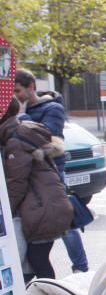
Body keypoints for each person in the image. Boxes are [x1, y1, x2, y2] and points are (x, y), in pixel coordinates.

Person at [13, 70, 90, 273]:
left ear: (31, 87)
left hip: (52, 173)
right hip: (27, 173)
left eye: (17, 90)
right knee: (40, 226)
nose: (15, 95)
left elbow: (49, 139)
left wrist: (21, 115)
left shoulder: (52, 107)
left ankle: (80, 268)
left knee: (63, 223)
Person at [0, 97, 74, 280]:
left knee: (35, 261)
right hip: (50, 205)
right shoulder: (25, 129)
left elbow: (16, 183)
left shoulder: (14, 141)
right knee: (35, 261)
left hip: (41, 210)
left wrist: (4, 214)